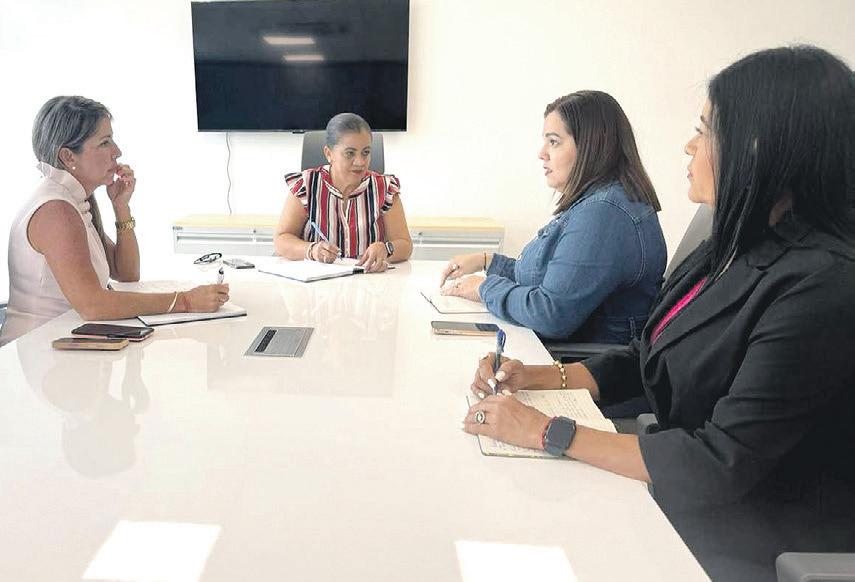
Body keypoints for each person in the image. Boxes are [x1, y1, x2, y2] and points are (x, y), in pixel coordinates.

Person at [463, 46, 855, 582]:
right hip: (683, 492)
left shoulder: (822, 286)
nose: (689, 145)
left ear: (762, 147)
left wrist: (546, 431)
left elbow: (719, 463)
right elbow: (647, 358)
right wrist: (537, 376)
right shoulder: (732, 245)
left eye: (705, 130)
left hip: (754, 538)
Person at [0, 96, 228, 346]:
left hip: (60, 343)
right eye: (104, 142)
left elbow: (127, 273)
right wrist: (185, 301)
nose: (117, 152)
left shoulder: (72, 200)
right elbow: (93, 305)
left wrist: (121, 207)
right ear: (68, 157)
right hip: (36, 351)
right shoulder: (56, 210)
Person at [439, 91, 666, 343]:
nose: (542, 153)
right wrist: (489, 262)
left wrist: (484, 288)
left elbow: (551, 314)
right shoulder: (598, 202)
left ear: (591, 146)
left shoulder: (604, 214)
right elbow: (548, 275)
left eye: (554, 142)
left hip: (571, 359)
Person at [275, 112, 413, 273]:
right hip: (318, 282)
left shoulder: (385, 188)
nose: (360, 162)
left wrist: (386, 248)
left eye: (366, 152)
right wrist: (312, 250)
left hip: (368, 281)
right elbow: (282, 239)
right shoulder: (306, 185)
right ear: (329, 154)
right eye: (350, 153)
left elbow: (405, 244)